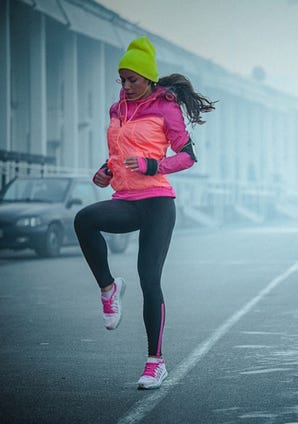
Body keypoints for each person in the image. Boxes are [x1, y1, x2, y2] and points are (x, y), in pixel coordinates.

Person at [74, 36, 215, 390]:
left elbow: (187, 156)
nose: (126, 86)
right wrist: (104, 173)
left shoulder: (165, 107)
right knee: (84, 219)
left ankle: (156, 362)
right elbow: (117, 154)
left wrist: (154, 165)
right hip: (125, 198)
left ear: (149, 78)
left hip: (157, 203)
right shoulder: (116, 109)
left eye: (132, 79)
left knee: (149, 279)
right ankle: (109, 288)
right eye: (121, 79)